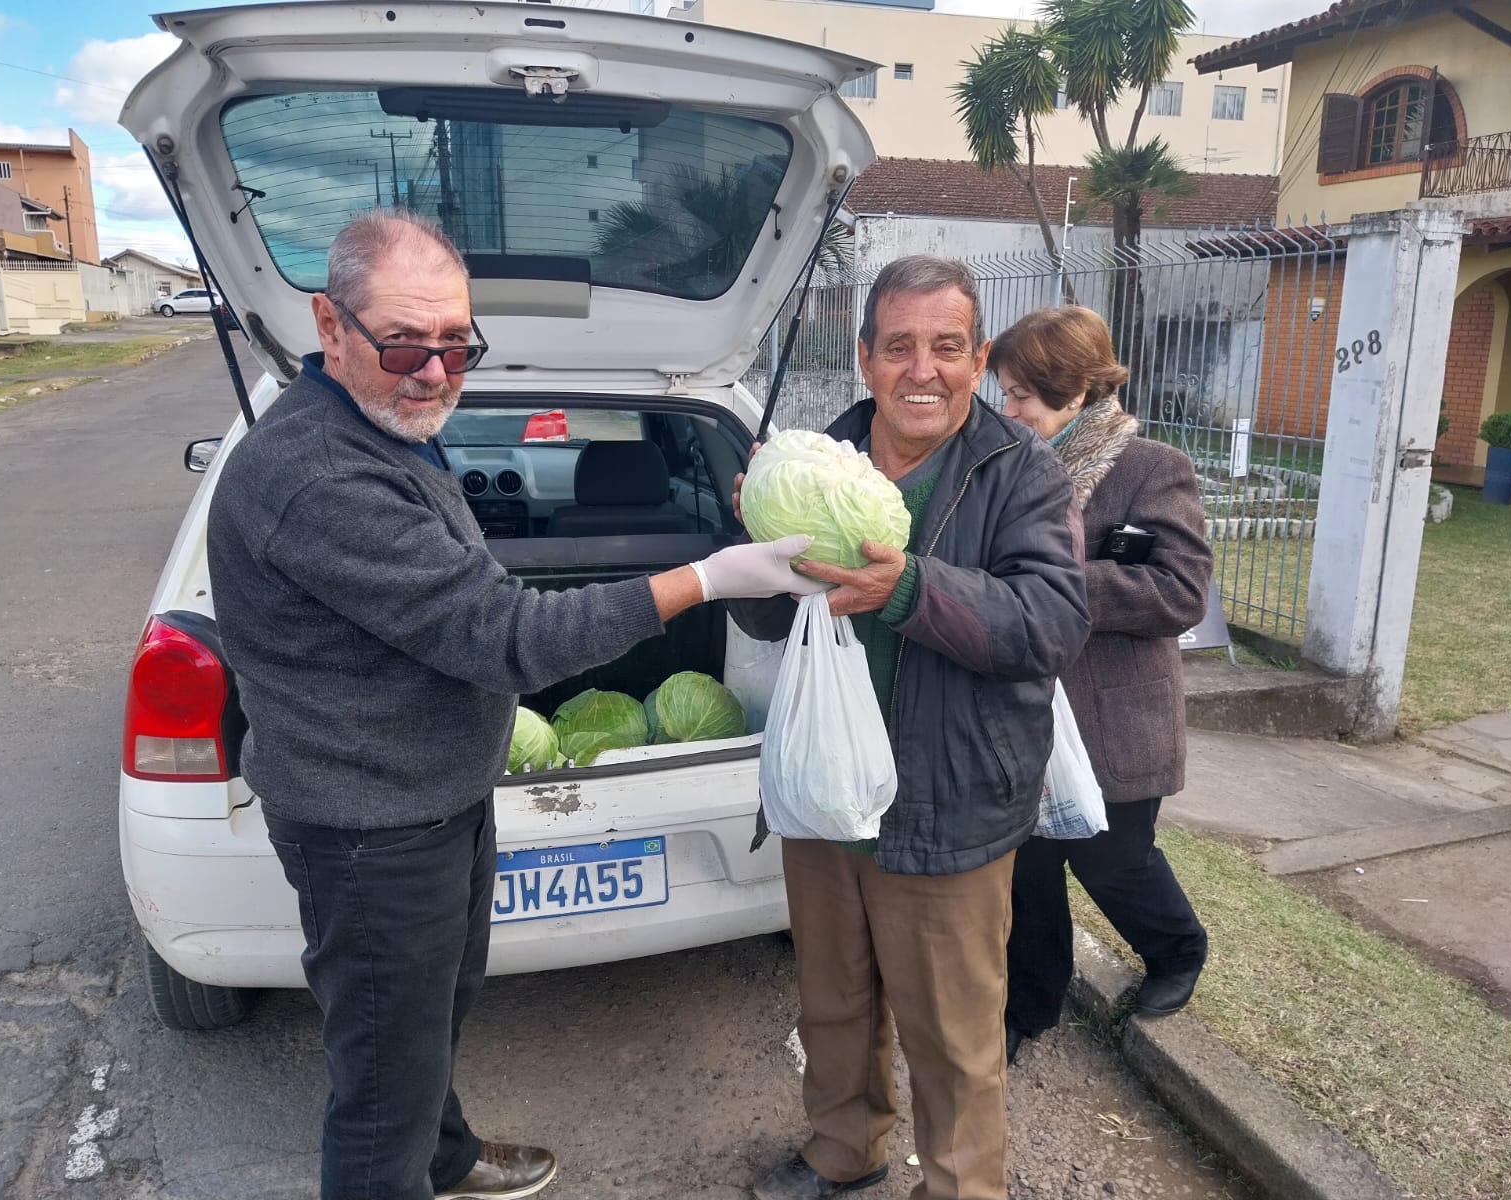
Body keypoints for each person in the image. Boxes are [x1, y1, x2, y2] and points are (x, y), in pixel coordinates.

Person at [206, 208, 823, 1200]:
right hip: (367, 828)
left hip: (434, 794)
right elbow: (510, 639)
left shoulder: (383, 425)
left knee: (436, 1012)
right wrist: (707, 578)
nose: (437, 372)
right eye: (406, 342)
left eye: (458, 344)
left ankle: (443, 1158)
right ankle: (406, 1164)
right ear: (329, 326)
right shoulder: (316, 478)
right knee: (379, 1091)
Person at [731, 256, 1091, 1200]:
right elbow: (766, 624)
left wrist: (913, 591)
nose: (921, 371)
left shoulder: (1022, 473)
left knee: (954, 1032)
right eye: (899, 347)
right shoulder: (817, 461)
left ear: (978, 360)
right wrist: (758, 553)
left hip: (953, 795)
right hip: (828, 790)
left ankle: (964, 1187)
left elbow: (1051, 623)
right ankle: (843, 1149)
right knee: (834, 1001)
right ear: (865, 359)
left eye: (945, 347)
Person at [988, 306, 1213, 1065]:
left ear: (1075, 392)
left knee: (1114, 858)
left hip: (1113, 719)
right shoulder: (1011, 468)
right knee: (1029, 866)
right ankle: (1030, 1005)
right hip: (1029, 711)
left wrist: (1057, 583)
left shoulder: (1151, 467)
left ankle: (1178, 949)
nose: (1008, 409)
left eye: (1021, 394)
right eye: (1006, 392)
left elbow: (1181, 592)